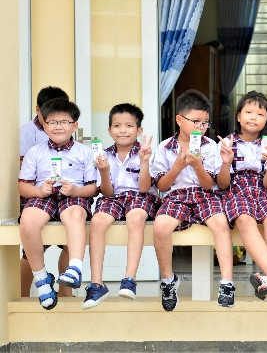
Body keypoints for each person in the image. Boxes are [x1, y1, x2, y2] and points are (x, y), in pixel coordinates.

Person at [151, 89, 234, 310]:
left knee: (220, 224)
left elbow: (209, 184)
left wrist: (197, 166)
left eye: (205, 122)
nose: (201, 127)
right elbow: (162, 186)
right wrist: (178, 166)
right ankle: (168, 280)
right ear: (179, 120)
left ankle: (227, 282)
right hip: (176, 195)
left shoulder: (211, 146)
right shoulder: (165, 148)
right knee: (160, 227)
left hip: (204, 194)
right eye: (196, 121)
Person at [18, 98, 97, 309]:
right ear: (44, 126)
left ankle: (75, 268)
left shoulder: (84, 152)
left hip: (73, 196)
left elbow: (93, 188)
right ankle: (42, 279)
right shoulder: (35, 152)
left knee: (76, 215)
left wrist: (76, 191)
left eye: (64, 122)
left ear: (75, 125)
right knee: (28, 221)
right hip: (43, 196)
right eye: (52, 122)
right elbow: (22, 187)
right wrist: (39, 191)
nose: (58, 126)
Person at [83, 103, 159, 309]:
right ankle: (97, 284)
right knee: (97, 221)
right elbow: (107, 193)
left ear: (139, 130)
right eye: (117, 126)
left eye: (129, 126)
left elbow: (144, 188)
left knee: (135, 218)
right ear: (109, 131)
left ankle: (129, 279)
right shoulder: (103, 155)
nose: (123, 130)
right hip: (114, 198)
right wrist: (104, 171)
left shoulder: (146, 153)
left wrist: (144, 162)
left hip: (140, 197)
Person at [217, 91, 267, 299]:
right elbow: (222, 184)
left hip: (262, 189)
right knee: (244, 218)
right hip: (236, 188)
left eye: (260, 114)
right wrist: (226, 162)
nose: (253, 117)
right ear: (238, 116)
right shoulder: (227, 143)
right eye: (248, 112)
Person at [19, 86, 72, 299]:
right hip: (37, 196)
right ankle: (24, 294)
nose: (56, 122)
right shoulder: (28, 133)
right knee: (31, 249)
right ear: (38, 110)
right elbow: (23, 170)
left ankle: (66, 292)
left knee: (69, 242)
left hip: (63, 197)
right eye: (50, 114)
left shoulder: (65, 132)